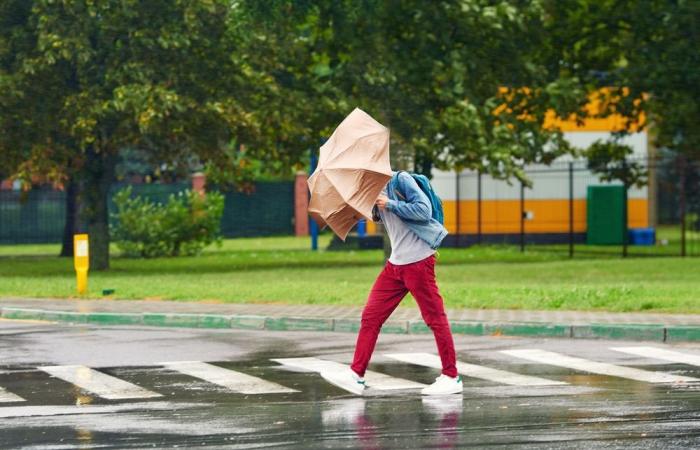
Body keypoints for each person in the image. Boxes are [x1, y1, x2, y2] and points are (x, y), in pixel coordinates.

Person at [322, 171, 462, 396]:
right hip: (395, 265)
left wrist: (390, 203)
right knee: (370, 317)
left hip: (418, 262)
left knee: (435, 318)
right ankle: (356, 375)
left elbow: (423, 210)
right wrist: (357, 208)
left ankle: (451, 376)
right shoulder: (372, 189)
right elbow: (378, 216)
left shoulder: (400, 180)